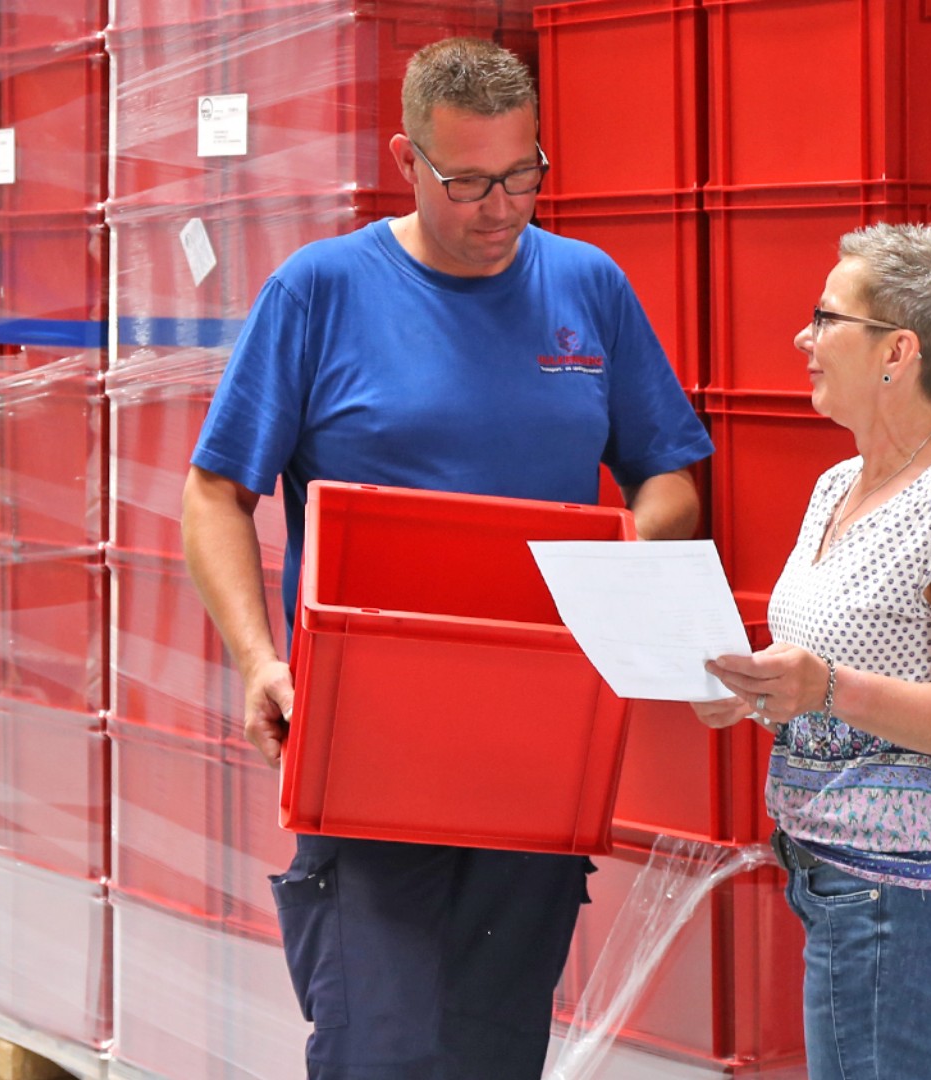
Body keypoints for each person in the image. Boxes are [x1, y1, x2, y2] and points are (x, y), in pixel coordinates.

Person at [179, 37, 712, 1080]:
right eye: (467, 181)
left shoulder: (588, 286)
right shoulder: (321, 290)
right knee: (379, 1045)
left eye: (524, 175)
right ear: (405, 160)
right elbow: (214, 495)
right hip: (369, 743)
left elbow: (672, 480)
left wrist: (613, 562)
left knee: (496, 1045)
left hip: (537, 747)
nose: (501, 207)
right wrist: (258, 661)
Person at [697, 223, 931, 1080]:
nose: (802, 339)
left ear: (897, 352)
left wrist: (824, 688)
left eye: (826, 319)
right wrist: (756, 689)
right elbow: (824, 667)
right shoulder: (835, 486)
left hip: (903, 902)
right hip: (838, 883)